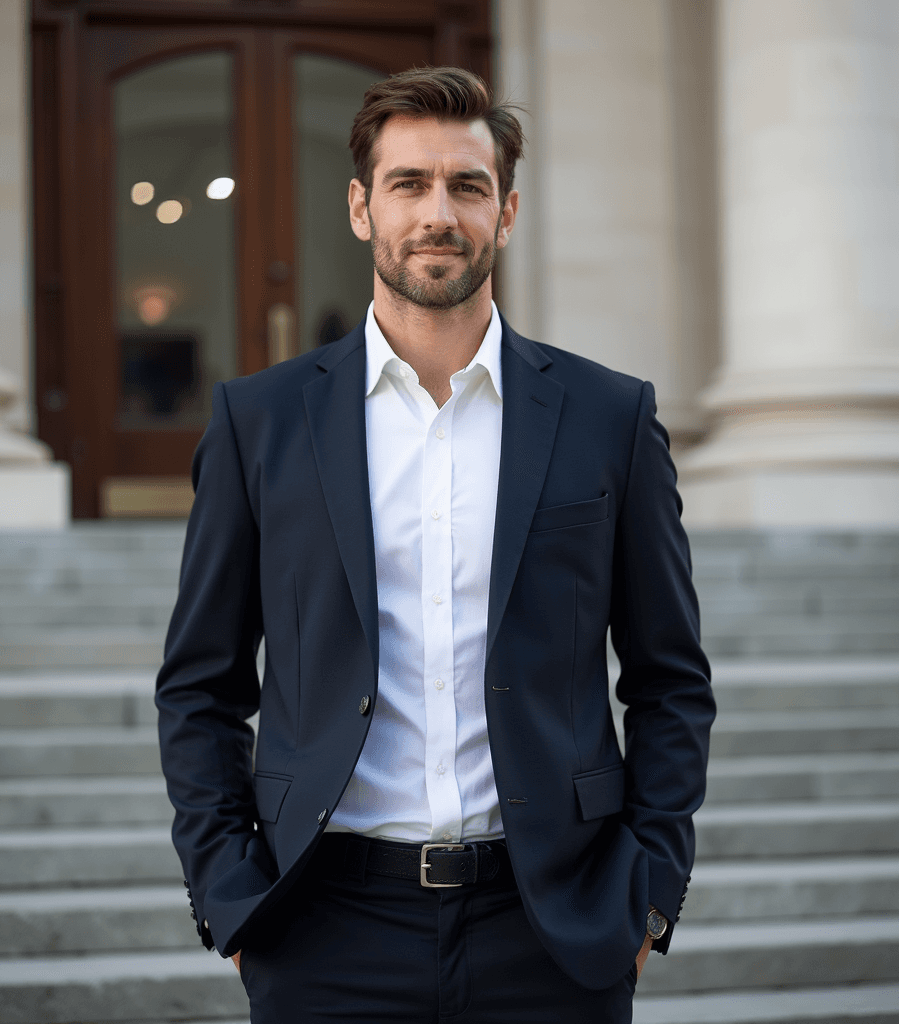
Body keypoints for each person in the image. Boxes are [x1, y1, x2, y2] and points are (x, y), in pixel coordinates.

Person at [156, 66, 715, 1023]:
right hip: (323, 927)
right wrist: (233, 898)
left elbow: (670, 680)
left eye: (467, 185)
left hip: (553, 931)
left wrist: (645, 899)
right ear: (361, 207)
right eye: (408, 184)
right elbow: (200, 687)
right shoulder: (260, 422)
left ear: (504, 213)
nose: (437, 213)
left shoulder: (608, 417)